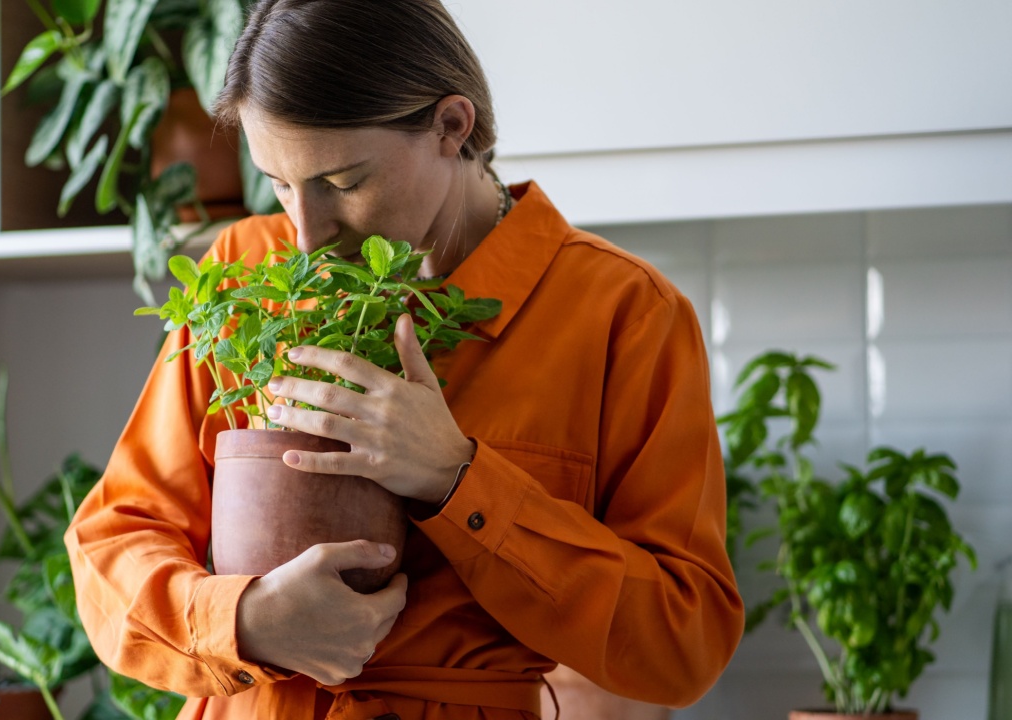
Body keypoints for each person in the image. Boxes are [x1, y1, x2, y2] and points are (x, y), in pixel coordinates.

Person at [64, 0, 745, 718]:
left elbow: (684, 642)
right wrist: (246, 619)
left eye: (345, 183)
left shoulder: (626, 314)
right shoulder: (242, 274)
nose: (306, 237)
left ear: (453, 126)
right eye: (279, 183)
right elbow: (112, 544)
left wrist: (459, 480)